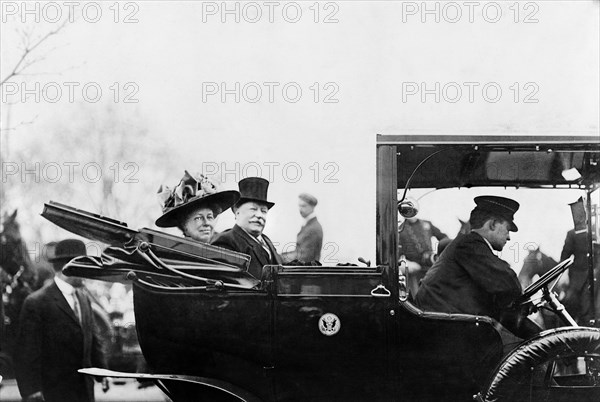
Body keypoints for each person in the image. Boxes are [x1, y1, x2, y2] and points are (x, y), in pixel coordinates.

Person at [415, 196, 537, 340]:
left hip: (443, 327)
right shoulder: (469, 245)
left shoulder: (468, 245)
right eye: (507, 229)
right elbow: (506, 280)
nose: (508, 237)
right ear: (492, 224)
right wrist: (524, 304)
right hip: (445, 334)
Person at [15, 239, 108, 402]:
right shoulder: (36, 302)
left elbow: (92, 339)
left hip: (85, 392)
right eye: (84, 266)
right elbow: (26, 353)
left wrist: (102, 372)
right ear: (69, 267)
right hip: (53, 393)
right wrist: (31, 390)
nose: (88, 272)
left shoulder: (84, 298)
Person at [212, 177, 282, 279]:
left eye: (263, 211)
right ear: (237, 212)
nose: (259, 215)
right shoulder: (226, 242)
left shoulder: (266, 241)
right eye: (253, 209)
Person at [155, 170, 240, 243]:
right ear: (184, 227)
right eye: (198, 218)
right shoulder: (170, 254)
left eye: (210, 217)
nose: (207, 223)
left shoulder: (224, 251)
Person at [398, 216, 448, 295]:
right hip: (415, 267)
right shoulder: (400, 229)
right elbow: (397, 254)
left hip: (431, 262)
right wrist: (407, 263)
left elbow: (444, 238)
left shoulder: (426, 223)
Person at [295, 193, 323, 262]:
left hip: (309, 271)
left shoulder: (313, 228)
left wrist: (280, 258)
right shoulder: (308, 225)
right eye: (299, 206)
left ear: (312, 207)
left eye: (303, 206)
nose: (300, 209)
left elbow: (304, 256)